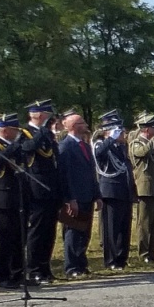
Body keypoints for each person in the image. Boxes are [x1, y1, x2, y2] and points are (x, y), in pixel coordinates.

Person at [20, 100, 63, 284]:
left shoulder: (48, 135)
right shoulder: (25, 133)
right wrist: (43, 134)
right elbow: (26, 149)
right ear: (37, 115)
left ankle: (45, 268)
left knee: (49, 231)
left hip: (51, 189)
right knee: (37, 232)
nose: (49, 118)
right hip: (35, 189)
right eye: (46, 115)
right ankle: (34, 269)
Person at [57, 111, 101, 277]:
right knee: (73, 232)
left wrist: (97, 195)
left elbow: (91, 172)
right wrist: (69, 199)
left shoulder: (84, 145)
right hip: (75, 197)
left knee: (85, 233)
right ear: (74, 126)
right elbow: (65, 175)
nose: (86, 126)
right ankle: (72, 267)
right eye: (82, 123)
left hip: (87, 195)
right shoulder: (66, 146)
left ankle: (82, 264)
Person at [0, 113, 25, 289]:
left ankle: (18, 274)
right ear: (6, 130)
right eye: (15, 129)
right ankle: (2, 275)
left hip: (17, 196)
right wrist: (16, 145)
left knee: (18, 237)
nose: (18, 132)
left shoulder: (14, 145)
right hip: (2, 198)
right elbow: (0, 160)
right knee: (3, 238)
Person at [94, 110, 135, 270]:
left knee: (124, 228)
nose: (123, 134)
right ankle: (111, 260)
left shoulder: (120, 147)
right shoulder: (101, 144)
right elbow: (98, 154)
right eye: (119, 131)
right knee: (112, 228)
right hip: (111, 192)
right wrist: (110, 138)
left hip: (124, 191)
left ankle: (121, 259)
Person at [130, 112, 154, 263]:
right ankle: (144, 253)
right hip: (145, 188)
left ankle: (152, 252)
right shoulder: (137, 143)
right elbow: (142, 153)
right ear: (146, 129)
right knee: (145, 223)